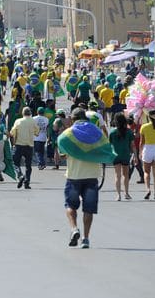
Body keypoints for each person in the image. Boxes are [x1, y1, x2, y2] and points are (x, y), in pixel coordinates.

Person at [57, 107, 114, 249]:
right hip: (92, 176)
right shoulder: (96, 132)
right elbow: (105, 147)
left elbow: (62, 148)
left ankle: (74, 229)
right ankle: (86, 238)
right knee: (88, 209)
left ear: (73, 118)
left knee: (70, 206)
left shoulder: (68, 134)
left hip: (74, 176)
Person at [109, 112, 136, 201]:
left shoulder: (112, 132)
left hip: (116, 155)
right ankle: (126, 193)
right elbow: (132, 145)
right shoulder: (129, 131)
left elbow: (109, 145)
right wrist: (135, 156)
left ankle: (118, 195)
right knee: (126, 175)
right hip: (125, 155)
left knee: (117, 175)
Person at [10, 106, 38, 189]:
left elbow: (12, 133)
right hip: (29, 146)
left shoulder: (18, 121)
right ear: (30, 113)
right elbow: (37, 132)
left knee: (15, 163)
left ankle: (20, 175)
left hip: (19, 145)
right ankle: (27, 182)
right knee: (28, 166)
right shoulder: (33, 121)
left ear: (22, 113)